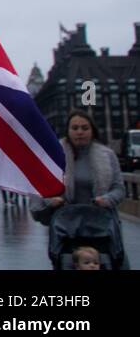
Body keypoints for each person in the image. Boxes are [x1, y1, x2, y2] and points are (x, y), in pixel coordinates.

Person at [31, 110, 127, 268]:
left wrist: (108, 199)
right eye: (75, 128)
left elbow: (119, 188)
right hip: (67, 228)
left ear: (92, 130)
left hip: (101, 227)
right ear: (68, 131)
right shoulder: (53, 154)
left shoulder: (108, 155)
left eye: (84, 128)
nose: (80, 132)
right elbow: (39, 186)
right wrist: (50, 201)